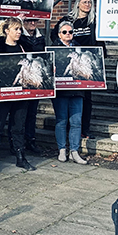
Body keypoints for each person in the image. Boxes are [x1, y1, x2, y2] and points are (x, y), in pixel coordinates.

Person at [51, 0, 105, 139]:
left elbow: (100, 40)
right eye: (84, 2)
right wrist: (61, 50)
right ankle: (69, 128)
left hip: (87, 63)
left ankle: (84, 129)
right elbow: (54, 34)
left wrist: (100, 57)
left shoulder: (94, 20)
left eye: (90, 2)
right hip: (71, 61)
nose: (87, 5)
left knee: (86, 99)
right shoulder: (68, 20)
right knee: (69, 98)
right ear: (78, 4)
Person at [0, 17, 36, 173]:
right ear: (7, 31)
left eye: (20, 29)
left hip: (21, 94)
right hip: (2, 94)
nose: (19, 32)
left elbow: (34, 64)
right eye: (16, 29)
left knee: (19, 127)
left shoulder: (25, 47)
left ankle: (21, 158)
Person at [51, 21, 87, 164]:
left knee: (76, 122)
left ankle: (74, 151)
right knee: (61, 121)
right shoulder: (53, 48)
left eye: (70, 32)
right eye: (64, 32)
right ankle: (62, 150)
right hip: (61, 90)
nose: (68, 34)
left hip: (77, 90)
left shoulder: (79, 48)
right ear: (59, 34)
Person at [19, 18, 47, 154]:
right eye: (29, 21)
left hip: (35, 79)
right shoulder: (20, 36)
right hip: (24, 79)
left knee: (32, 113)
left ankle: (30, 140)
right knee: (20, 113)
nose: (33, 23)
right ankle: (18, 142)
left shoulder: (40, 38)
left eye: (35, 21)